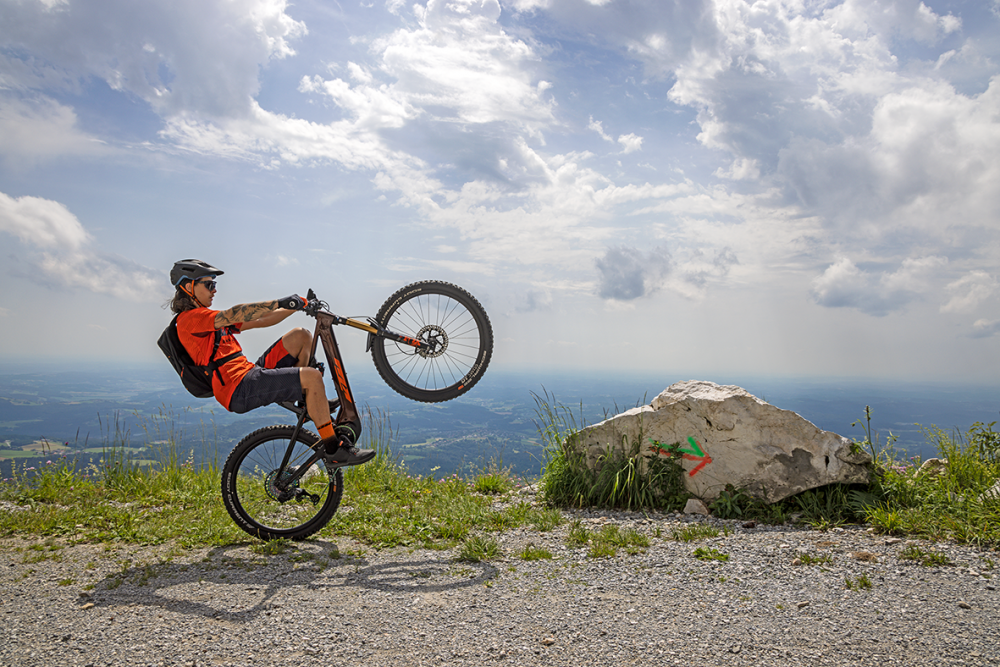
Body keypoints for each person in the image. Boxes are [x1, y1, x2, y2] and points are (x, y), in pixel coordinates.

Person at [167, 259, 373, 468]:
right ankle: (334, 449)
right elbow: (234, 313)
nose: (214, 290)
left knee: (301, 336)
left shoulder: (208, 319)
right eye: (209, 284)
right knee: (312, 377)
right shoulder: (190, 319)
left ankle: (304, 399)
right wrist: (279, 302)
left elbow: (261, 320)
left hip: (249, 373)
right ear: (188, 287)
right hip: (237, 388)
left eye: (215, 285)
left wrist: (298, 304)